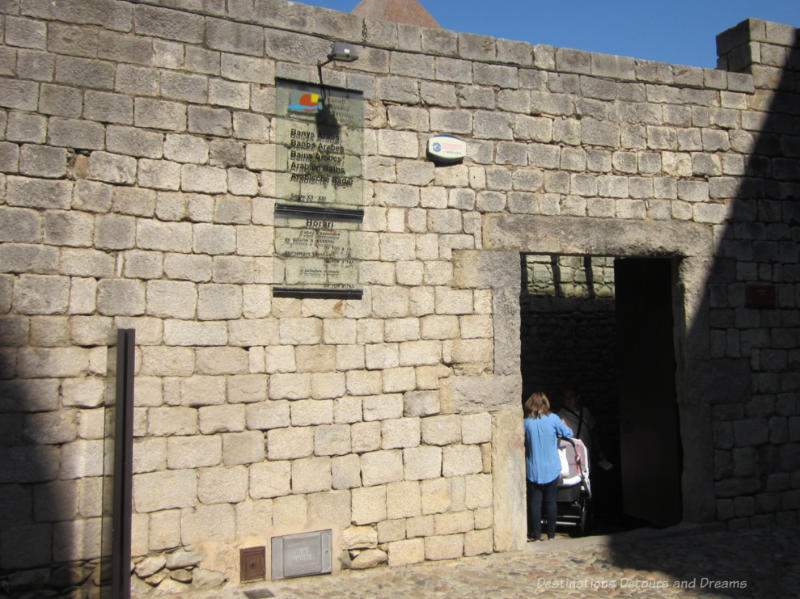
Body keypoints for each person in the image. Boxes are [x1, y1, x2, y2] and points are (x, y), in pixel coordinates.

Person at [524, 391, 573, 541]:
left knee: (535, 503)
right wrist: (563, 425)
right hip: (552, 467)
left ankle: (537, 535)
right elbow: (569, 433)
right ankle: (551, 535)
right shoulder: (553, 419)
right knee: (551, 502)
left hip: (533, 468)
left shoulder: (526, 422)